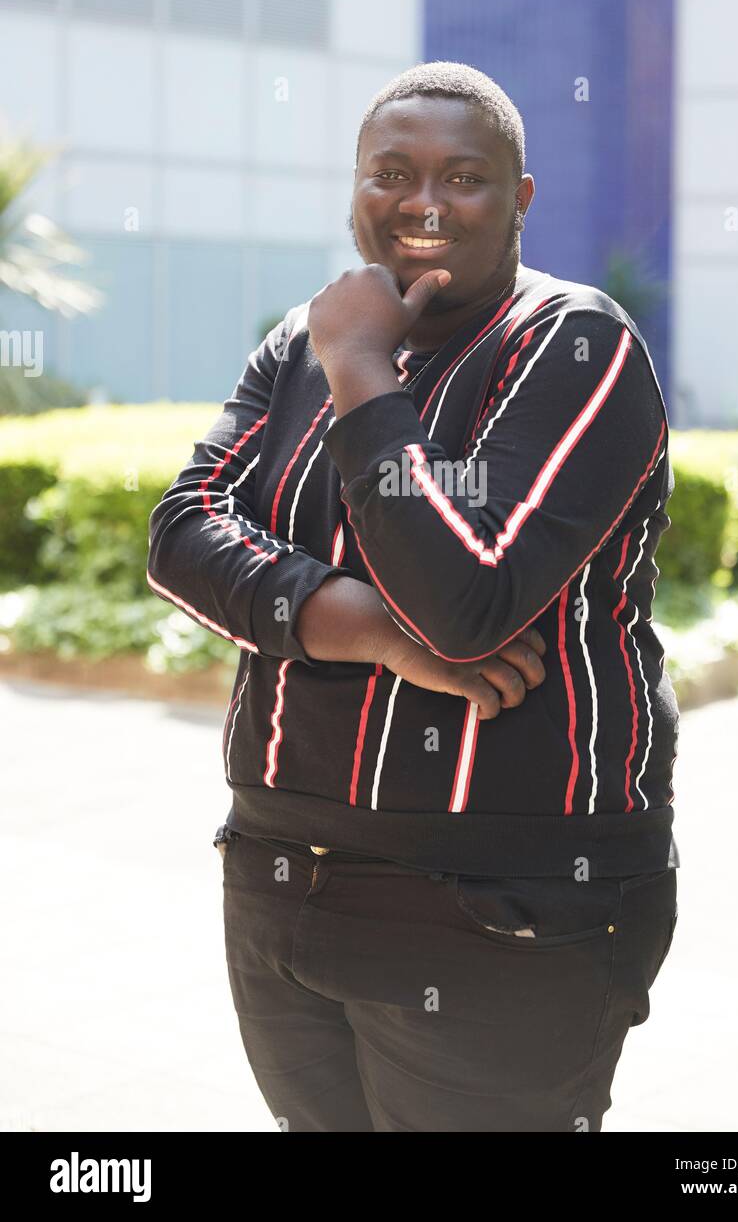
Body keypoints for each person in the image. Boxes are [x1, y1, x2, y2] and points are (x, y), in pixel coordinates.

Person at [147, 61, 680, 1133]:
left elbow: (466, 597)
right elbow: (183, 533)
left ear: (519, 198)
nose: (422, 203)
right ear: (355, 190)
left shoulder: (573, 345)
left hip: (503, 903)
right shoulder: (297, 346)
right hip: (282, 872)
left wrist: (358, 367)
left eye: (464, 177)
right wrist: (377, 636)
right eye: (392, 172)